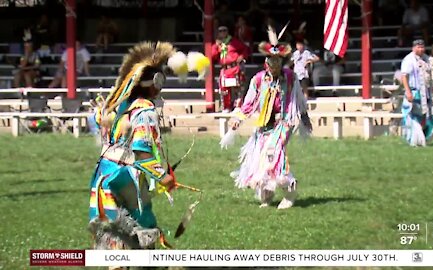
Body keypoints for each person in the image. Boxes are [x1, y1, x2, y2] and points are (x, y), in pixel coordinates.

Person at [88, 41, 209, 253]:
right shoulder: (145, 111)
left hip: (104, 175)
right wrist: (163, 176)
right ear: (155, 82)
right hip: (126, 177)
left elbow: (98, 119)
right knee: (143, 225)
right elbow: (142, 153)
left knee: (114, 230)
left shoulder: (121, 104)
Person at [228, 26, 312, 209]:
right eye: (271, 63)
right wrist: (237, 118)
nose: (274, 67)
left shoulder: (290, 77)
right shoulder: (258, 80)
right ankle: (267, 193)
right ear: (266, 63)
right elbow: (249, 102)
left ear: (281, 62)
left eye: (277, 63)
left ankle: (290, 190)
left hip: (284, 122)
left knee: (272, 152)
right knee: (259, 159)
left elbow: (298, 97)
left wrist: (304, 117)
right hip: (264, 124)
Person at [400, 39, 433, 147]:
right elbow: (404, 76)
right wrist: (408, 91)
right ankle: (413, 140)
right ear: (413, 48)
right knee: (413, 116)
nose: (420, 49)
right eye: (418, 47)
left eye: (422, 47)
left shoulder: (426, 59)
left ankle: (423, 139)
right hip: (414, 91)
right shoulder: (408, 60)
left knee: (426, 116)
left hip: (426, 92)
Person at [212, 25, 250, 112]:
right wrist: (216, 46)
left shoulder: (234, 42)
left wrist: (242, 56)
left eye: (224, 31)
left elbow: (245, 49)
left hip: (234, 67)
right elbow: (212, 55)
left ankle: (238, 106)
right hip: (225, 69)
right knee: (224, 90)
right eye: (220, 31)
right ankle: (227, 107)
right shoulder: (218, 44)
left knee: (238, 88)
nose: (222, 33)